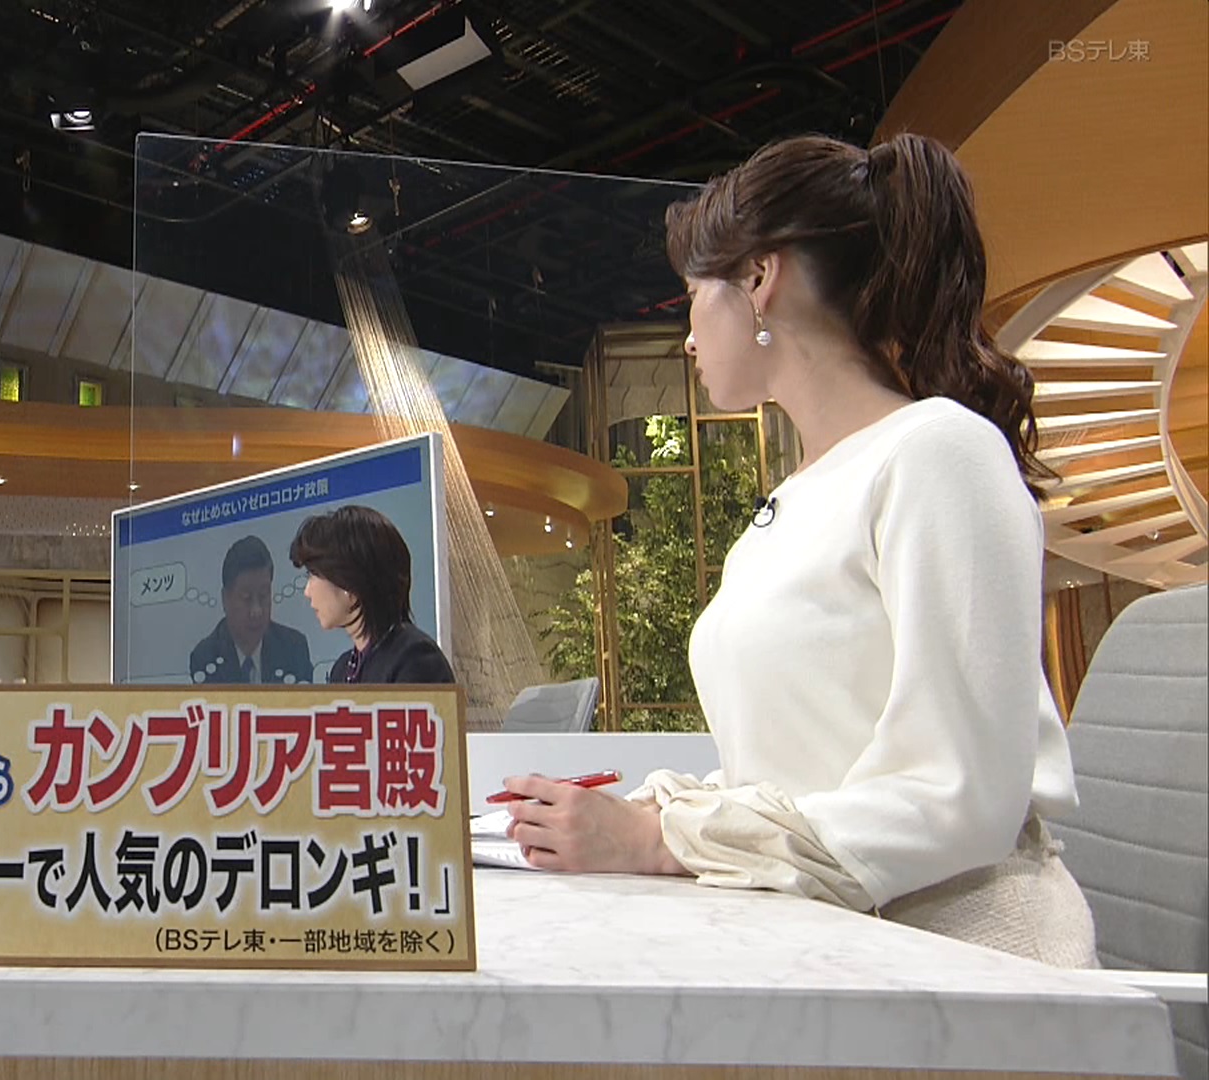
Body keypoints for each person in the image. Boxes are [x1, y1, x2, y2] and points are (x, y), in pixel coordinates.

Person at [498, 133, 1097, 967]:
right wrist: (652, 818)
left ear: (758, 279)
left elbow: (960, 796)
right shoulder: (798, 496)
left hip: (968, 955)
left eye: (692, 298)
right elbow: (804, 773)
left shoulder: (938, 452)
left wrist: (664, 839)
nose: (688, 339)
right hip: (837, 938)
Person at [288, 505, 454, 685]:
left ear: (348, 582)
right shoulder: (341, 669)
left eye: (313, 574)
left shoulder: (415, 660)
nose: (307, 592)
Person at [189, 535, 313, 684]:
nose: (256, 611)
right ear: (225, 599)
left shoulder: (294, 648)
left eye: (263, 595)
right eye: (246, 598)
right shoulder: (206, 656)